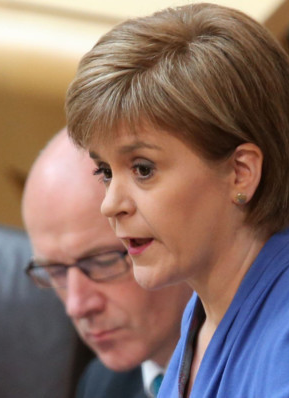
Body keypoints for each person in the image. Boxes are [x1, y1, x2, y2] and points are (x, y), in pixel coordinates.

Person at [65, 3, 289, 397]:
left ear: (241, 172)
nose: (111, 204)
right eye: (105, 171)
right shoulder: (205, 308)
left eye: (142, 169)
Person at [22, 130, 193, 398]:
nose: (77, 305)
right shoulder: (102, 385)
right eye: (55, 271)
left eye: (102, 262)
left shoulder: (270, 373)